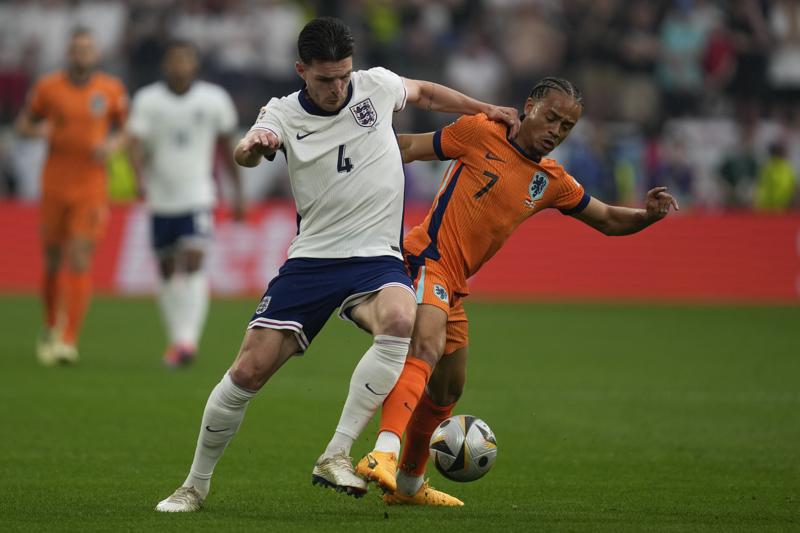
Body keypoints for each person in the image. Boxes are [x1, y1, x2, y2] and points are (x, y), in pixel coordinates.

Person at [155, 17, 519, 512]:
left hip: (376, 258)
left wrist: (484, 108)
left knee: (400, 319)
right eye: (326, 79)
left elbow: (427, 93)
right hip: (312, 261)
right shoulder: (281, 113)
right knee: (248, 371)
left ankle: (336, 453)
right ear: (301, 71)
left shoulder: (376, 86)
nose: (338, 87)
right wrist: (252, 149)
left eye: (344, 75)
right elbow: (248, 148)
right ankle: (194, 486)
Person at [355, 77, 679, 506]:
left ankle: (409, 486)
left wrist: (647, 216)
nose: (556, 131)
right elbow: (409, 147)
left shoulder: (552, 180)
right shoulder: (480, 131)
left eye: (566, 126)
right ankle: (383, 452)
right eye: (551, 118)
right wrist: (348, 153)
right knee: (426, 348)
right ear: (530, 106)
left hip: (455, 282)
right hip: (426, 258)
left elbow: (606, 219)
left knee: (448, 389)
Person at [127, 40, 244, 367]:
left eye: (185, 60)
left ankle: (187, 341)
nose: (180, 66)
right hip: (161, 198)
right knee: (166, 269)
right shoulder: (148, 100)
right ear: (165, 65)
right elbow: (134, 143)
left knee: (193, 261)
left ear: (195, 65)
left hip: (197, 195)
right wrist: (138, 177)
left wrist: (239, 193)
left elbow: (227, 147)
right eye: (174, 60)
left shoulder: (214, 99)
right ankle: (177, 337)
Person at [15, 28, 127, 365]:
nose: (82, 54)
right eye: (77, 49)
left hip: (90, 187)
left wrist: (111, 145)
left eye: (88, 49)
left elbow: (125, 130)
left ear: (96, 54)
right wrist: (40, 129)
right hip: (54, 184)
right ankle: (51, 325)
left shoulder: (111, 90)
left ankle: (68, 339)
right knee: (52, 259)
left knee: (79, 257)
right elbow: (23, 125)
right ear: (69, 53)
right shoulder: (48, 88)